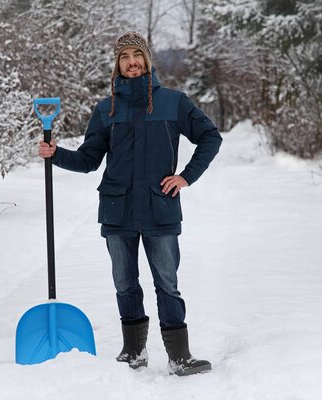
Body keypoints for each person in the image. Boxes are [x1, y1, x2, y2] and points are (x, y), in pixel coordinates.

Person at [38, 31, 222, 376]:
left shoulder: (173, 102)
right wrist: (56, 154)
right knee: (124, 281)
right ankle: (133, 352)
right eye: (125, 57)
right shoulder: (105, 108)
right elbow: (90, 158)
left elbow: (210, 136)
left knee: (166, 282)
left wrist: (185, 176)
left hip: (160, 207)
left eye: (137, 55)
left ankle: (179, 356)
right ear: (117, 64)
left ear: (147, 60)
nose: (132, 62)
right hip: (117, 208)